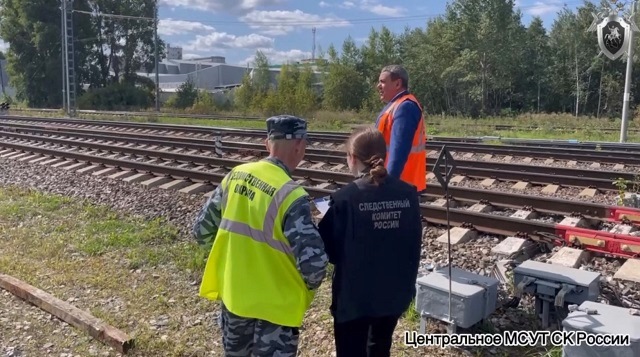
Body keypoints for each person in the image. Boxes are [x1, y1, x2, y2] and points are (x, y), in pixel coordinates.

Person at [193, 115, 329, 357]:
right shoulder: (291, 195)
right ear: (299, 146)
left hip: (235, 300)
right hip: (276, 311)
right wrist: (301, 289)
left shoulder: (234, 176)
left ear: (268, 144)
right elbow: (315, 265)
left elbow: (201, 233)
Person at [317, 126, 423, 357]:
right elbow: (413, 242)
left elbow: (330, 253)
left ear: (352, 158)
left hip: (354, 298)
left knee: (350, 350)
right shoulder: (408, 194)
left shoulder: (343, 199)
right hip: (393, 294)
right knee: (380, 346)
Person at [374, 64, 427, 192]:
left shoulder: (405, 107)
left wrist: (388, 184)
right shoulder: (395, 105)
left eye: (382, 82)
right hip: (398, 182)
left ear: (397, 84)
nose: (378, 86)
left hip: (401, 184)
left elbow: (398, 151)